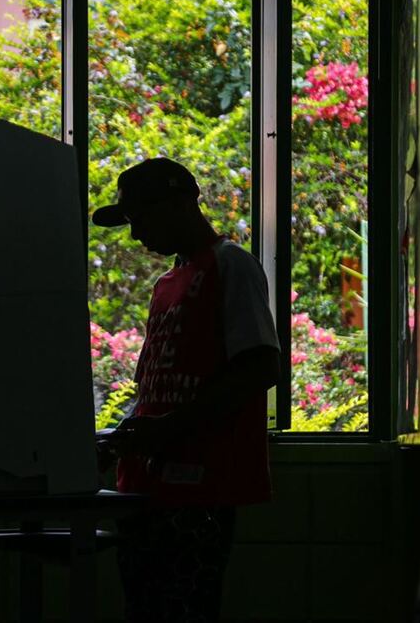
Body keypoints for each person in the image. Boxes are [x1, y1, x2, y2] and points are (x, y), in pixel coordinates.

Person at [92, 156, 280, 623]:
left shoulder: (231, 266)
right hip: (147, 490)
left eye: (140, 218)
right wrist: (122, 439)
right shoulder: (166, 285)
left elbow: (260, 367)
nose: (135, 235)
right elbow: (156, 388)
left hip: (199, 492)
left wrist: (165, 430)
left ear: (179, 204)